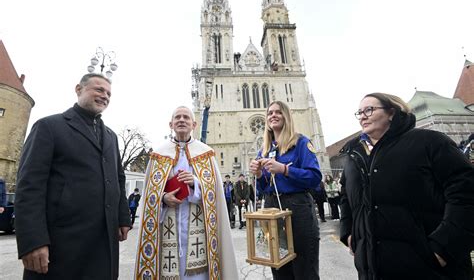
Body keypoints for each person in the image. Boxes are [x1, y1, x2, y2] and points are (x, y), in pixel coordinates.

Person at [339, 92, 474, 280]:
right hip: (372, 269)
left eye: (369, 110)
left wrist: (444, 247)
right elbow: (346, 195)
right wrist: (348, 233)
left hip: (427, 268)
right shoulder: (354, 155)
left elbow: (466, 192)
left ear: (392, 113)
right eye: (359, 112)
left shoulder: (429, 142)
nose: (362, 116)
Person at [15, 73, 131, 280]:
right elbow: (29, 186)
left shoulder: (111, 137)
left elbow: (118, 179)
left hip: (102, 244)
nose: (105, 96)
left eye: (108, 94)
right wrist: (33, 241)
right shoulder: (49, 127)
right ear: (79, 89)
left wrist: (123, 218)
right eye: (99, 89)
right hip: (62, 244)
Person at [134, 106, 238, 279]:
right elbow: (149, 196)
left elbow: (215, 193)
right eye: (178, 117)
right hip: (167, 226)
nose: (181, 120)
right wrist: (163, 198)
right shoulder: (158, 155)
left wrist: (195, 184)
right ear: (171, 124)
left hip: (199, 232)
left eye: (186, 117)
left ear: (194, 124)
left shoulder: (206, 153)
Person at [249, 100, 322, 280]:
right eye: (270, 113)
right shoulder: (265, 150)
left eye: (278, 112)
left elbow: (314, 178)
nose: (273, 115)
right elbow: (264, 188)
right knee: (279, 268)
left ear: (286, 116)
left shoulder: (301, 143)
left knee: (304, 267)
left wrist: (285, 169)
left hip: (298, 208)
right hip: (272, 207)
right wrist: (258, 175)